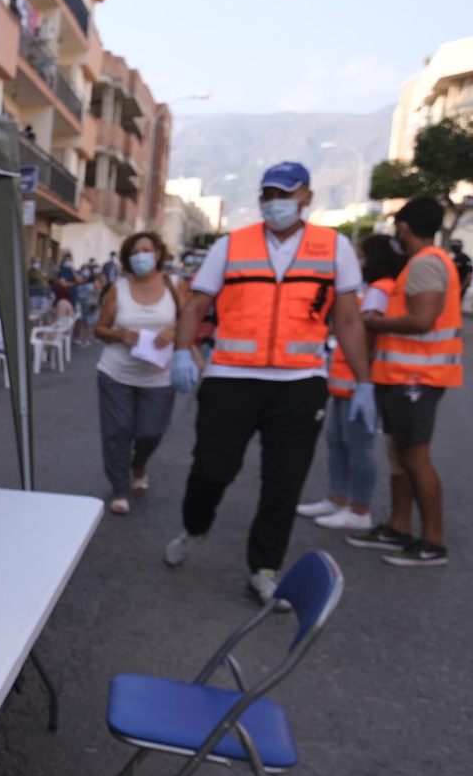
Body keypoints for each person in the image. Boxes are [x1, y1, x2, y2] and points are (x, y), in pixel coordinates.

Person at [164, 161, 376, 605]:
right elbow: (195, 306)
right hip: (231, 378)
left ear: (306, 198)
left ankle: (263, 569)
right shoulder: (231, 245)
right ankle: (196, 526)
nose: (275, 203)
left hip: (300, 384)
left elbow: (350, 319)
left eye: (286, 193)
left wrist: (364, 383)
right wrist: (183, 352)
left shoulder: (333, 247)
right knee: (211, 470)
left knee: (284, 483)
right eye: (268, 195)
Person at [346, 197, 463, 566]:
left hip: (417, 377)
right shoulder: (423, 262)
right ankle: (398, 527)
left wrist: (375, 322)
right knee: (399, 457)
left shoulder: (426, 264)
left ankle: (432, 541)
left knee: (415, 457)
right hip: (403, 376)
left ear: (404, 227)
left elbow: (422, 320)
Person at [297, 234, 401, 531]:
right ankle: (337, 498)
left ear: (375, 259)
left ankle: (359, 509)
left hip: (360, 379)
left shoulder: (380, 290)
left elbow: (365, 328)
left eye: (362, 257)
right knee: (336, 441)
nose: (356, 262)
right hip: (345, 378)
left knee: (358, 446)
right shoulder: (367, 289)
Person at [92, 232, 180, 515]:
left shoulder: (175, 285)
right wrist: (119, 335)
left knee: (150, 432)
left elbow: (190, 321)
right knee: (117, 434)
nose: (140, 255)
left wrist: (173, 332)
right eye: (134, 252)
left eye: (146, 250)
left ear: (157, 254)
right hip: (116, 373)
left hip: (159, 376)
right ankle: (120, 488)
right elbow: (99, 329)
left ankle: (139, 465)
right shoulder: (119, 288)